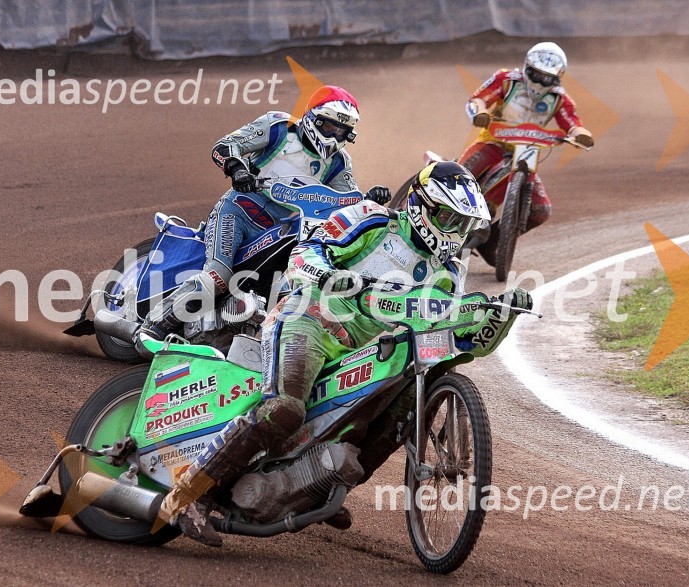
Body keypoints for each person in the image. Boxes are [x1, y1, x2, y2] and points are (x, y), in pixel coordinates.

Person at [157, 161, 533, 545]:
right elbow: (306, 252)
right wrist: (327, 274)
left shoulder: (449, 274)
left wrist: (499, 315)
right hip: (309, 317)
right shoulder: (373, 219)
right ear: (423, 206)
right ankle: (188, 495)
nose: (457, 234)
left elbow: (455, 335)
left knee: (397, 417)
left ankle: (313, 487)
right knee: (285, 408)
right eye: (451, 220)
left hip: (361, 353)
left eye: (464, 225)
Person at [137, 85, 392, 345]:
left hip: (286, 228)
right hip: (238, 211)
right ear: (313, 119)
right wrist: (237, 169)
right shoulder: (278, 127)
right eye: (329, 128)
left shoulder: (339, 162)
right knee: (218, 276)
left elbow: (347, 204)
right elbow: (226, 145)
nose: (334, 137)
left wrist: (369, 201)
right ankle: (153, 327)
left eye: (342, 132)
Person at [458, 41, 594, 261]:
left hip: (526, 154)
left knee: (541, 211)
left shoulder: (560, 99)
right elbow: (478, 100)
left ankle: (493, 242)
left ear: (557, 78)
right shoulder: (506, 79)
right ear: (527, 68)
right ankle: (411, 210)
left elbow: (572, 123)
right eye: (537, 75)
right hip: (493, 143)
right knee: (458, 175)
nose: (540, 82)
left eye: (547, 78)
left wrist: (580, 134)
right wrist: (479, 113)